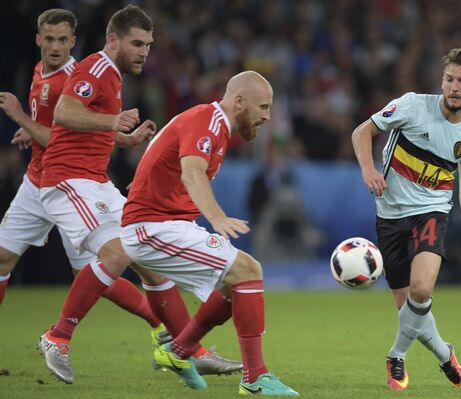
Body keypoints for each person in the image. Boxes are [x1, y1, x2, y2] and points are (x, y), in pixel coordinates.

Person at [37, 5, 240, 384]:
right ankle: (57, 336)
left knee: (148, 258)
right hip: (68, 181)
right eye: (136, 43)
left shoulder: (111, 75)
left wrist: (123, 138)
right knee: (119, 251)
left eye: (148, 44)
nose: (144, 51)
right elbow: (65, 112)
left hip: (95, 180)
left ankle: (187, 349)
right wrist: (112, 121)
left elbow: (85, 125)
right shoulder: (96, 68)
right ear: (113, 40)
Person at [120, 71, 299, 396]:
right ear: (239, 101)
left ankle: (179, 350)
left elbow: (164, 158)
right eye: (263, 107)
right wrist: (216, 217)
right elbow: (191, 171)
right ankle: (255, 377)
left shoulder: (211, 124)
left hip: (163, 224)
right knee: (247, 271)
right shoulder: (208, 120)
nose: (267, 116)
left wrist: (146, 183)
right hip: (152, 227)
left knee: (236, 288)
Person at [0, 8, 166, 337]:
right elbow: (73, 129)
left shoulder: (79, 77)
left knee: (101, 272)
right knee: (3, 260)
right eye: (49, 39)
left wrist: (21, 118)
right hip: (37, 182)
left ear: (73, 42)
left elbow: (63, 130)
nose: (56, 47)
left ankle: (160, 324)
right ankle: (163, 326)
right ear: (38, 40)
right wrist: (33, 130)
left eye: (63, 40)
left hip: (67, 182)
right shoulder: (40, 71)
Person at [351, 48, 461, 391]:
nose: (454, 87)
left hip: (432, 212)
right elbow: (362, 132)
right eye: (449, 79)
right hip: (390, 215)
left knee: (422, 289)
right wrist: (368, 169)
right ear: (442, 81)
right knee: (408, 308)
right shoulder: (411, 106)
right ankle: (445, 354)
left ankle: (396, 355)